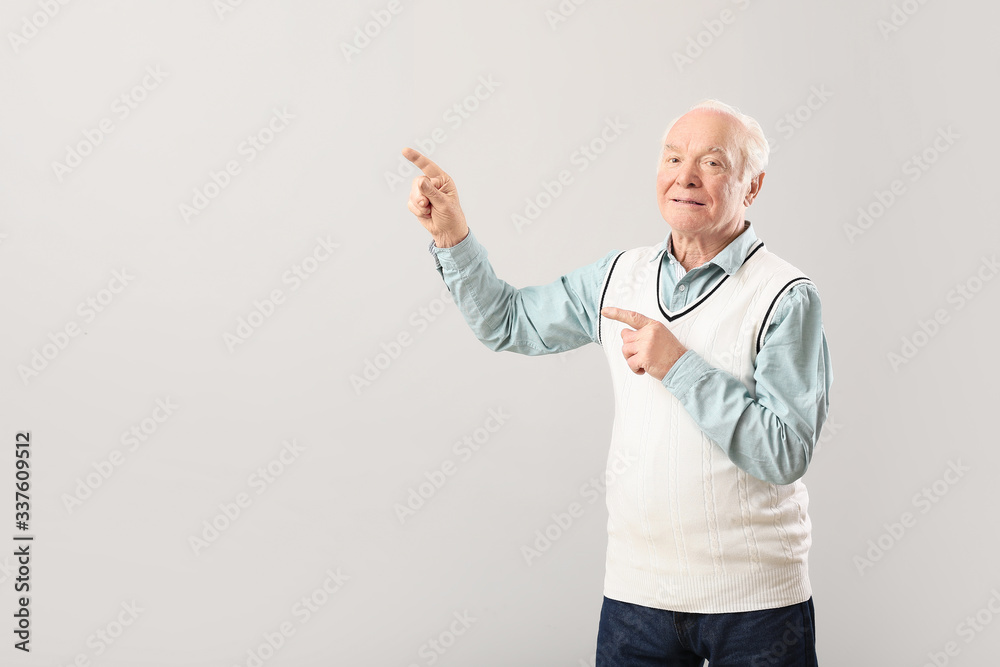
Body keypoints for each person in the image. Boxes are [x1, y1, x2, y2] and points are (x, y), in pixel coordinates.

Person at [402, 99, 832, 666]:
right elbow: (507, 322)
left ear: (751, 188)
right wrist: (453, 237)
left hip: (754, 605)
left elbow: (785, 451)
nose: (685, 176)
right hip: (638, 598)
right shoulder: (616, 278)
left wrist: (678, 365)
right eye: (673, 158)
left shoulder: (785, 295)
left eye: (712, 163)